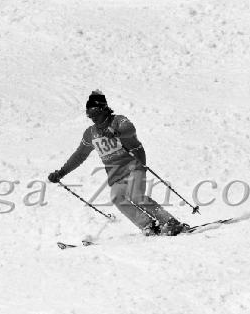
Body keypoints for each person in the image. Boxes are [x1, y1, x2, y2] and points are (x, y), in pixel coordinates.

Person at [47, 90, 189, 236]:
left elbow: (130, 129)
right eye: (89, 113)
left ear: (104, 109)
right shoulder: (90, 133)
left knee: (136, 196)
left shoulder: (118, 121)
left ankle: (170, 222)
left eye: (95, 112)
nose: (93, 117)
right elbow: (79, 155)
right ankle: (148, 225)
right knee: (117, 197)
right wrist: (61, 173)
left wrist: (116, 132)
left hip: (134, 165)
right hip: (116, 173)